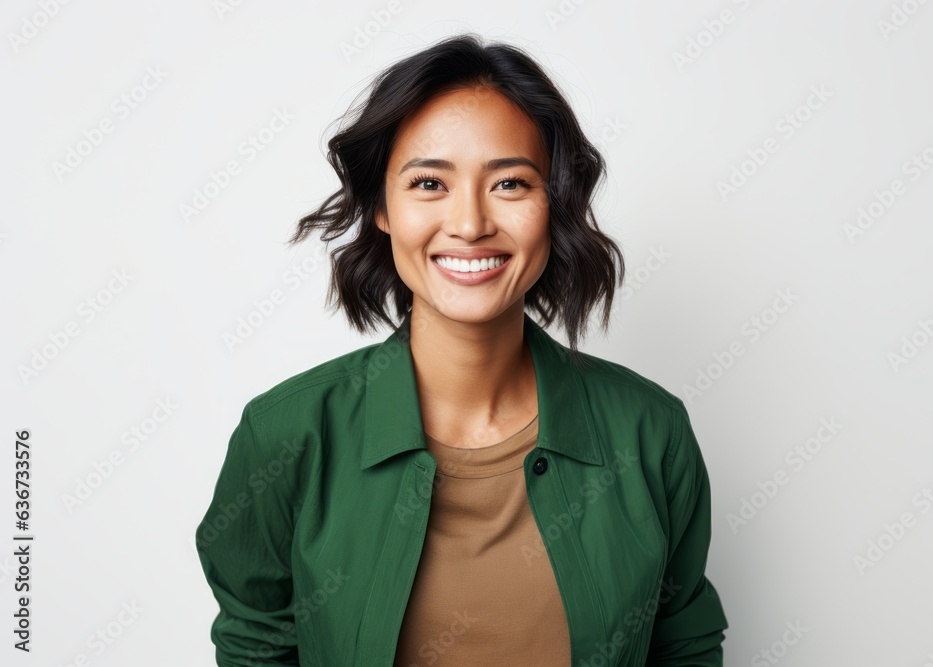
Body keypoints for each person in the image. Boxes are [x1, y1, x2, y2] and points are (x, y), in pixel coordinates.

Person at [195, 32, 728, 666]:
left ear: (553, 204)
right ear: (380, 208)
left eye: (510, 184)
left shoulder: (650, 432)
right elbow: (256, 646)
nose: (470, 224)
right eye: (428, 183)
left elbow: (684, 644)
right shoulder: (285, 434)